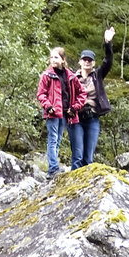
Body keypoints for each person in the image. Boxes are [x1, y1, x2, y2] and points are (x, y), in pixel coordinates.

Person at [71, 28, 117, 169]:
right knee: (77, 156)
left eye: (90, 60)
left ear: (93, 62)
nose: (87, 62)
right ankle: (73, 186)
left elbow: (108, 61)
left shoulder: (97, 75)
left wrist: (108, 42)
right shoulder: (72, 77)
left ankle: (87, 189)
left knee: (88, 158)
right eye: (84, 59)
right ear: (80, 61)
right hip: (76, 118)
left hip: (92, 118)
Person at [36, 47, 86, 175]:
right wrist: (47, 106)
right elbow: (41, 94)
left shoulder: (70, 75)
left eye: (56, 57)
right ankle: (53, 168)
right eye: (51, 57)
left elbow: (82, 93)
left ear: (63, 60)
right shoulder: (47, 75)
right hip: (52, 113)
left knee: (57, 140)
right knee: (52, 139)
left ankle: (54, 166)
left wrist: (75, 107)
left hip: (65, 113)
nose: (53, 60)